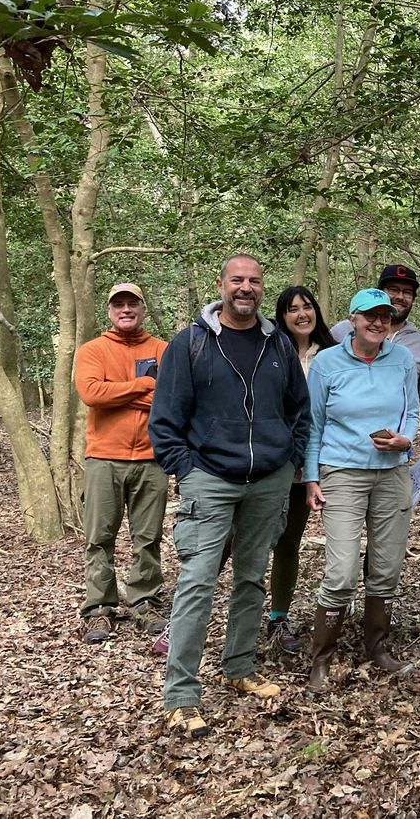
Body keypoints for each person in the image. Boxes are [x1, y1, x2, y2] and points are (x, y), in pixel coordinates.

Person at [149, 254, 311, 739]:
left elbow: (298, 410)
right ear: (221, 285)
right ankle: (180, 694)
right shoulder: (191, 343)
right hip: (209, 480)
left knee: (252, 577)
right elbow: (165, 418)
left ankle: (238, 667)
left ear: (263, 288)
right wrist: (187, 469)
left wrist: (289, 459)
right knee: (197, 581)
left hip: (268, 480)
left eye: (254, 281)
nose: (245, 288)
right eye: (237, 280)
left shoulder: (277, 343)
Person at [305, 288, 420, 694]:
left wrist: (406, 438)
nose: (378, 322)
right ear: (352, 319)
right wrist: (311, 477)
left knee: (386, 567)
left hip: (392, 473)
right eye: (369, 315)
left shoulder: (402, 359)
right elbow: (314, 424)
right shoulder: (326, 363)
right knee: (340, 573)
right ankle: (321, 658)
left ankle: (377, 647)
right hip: (341, 472)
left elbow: (411, 410)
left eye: (385, 316)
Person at [74, 282, 169, 644]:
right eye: (119, 305)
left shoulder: (163, 349)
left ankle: (144, 600)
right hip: (103, 458)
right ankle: (99, 607)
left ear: (142, 308)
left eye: (132, 304)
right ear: (110, 311)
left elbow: (170, 399)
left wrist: (122, 391)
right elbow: (91, 393)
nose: (126, 310)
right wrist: (143, 384)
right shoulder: (93, 350)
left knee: (148, 536)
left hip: (151, 458)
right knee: (99, 537)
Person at [331, 264, 420, 495]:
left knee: (389, 526)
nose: (400, 297)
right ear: (380, 292)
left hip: (394, 456)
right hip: (343, 456)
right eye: (393, 289)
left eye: (407, 292)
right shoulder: (341, 332)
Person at [264, 286, 337, 654]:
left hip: (307, 467)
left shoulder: (332, 353)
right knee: (231, 541)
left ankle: (278, 618)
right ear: (282, 316)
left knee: (289, 542)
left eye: (307, 306)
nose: (301, 314)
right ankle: (193, 615)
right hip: (267, 462)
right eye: (292, 309)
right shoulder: (269, 350)